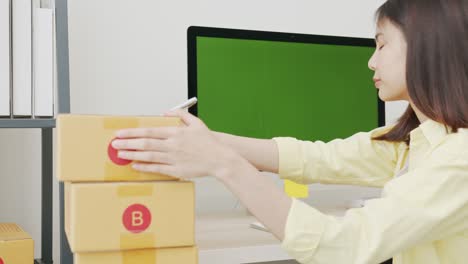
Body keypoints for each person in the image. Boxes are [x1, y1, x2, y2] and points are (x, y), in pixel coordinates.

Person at [110, 0, 468, 263]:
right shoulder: (414, 141)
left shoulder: (458, 159)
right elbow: (317, 158)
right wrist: (205, 140)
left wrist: (223, 165)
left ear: (426, 47)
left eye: (382, 43)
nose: (371, 61)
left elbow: (344, 245)